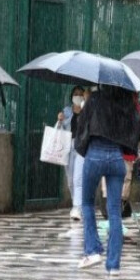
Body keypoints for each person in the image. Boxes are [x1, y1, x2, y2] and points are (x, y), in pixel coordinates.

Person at [74, 84, 140, 274]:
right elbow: (139, 130)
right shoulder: (126, 102)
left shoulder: (94, 99)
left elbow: (81, 126)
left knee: (87, 203)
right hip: (116, 157)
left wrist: (83, 148)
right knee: (114, 210)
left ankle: (92, 250)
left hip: (94, 154)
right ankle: (114, 266)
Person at [59, 86, 87, 221]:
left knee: (78, 178)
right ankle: (74, 204)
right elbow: (62, 127)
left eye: (81, 94)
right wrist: (60, 119)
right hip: (68, 146)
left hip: (81, 147)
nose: (78, 96)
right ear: (71, 96)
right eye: (75, 94)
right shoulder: (67, 111)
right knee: (70, 180)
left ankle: (77, 207)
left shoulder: (87, 111)